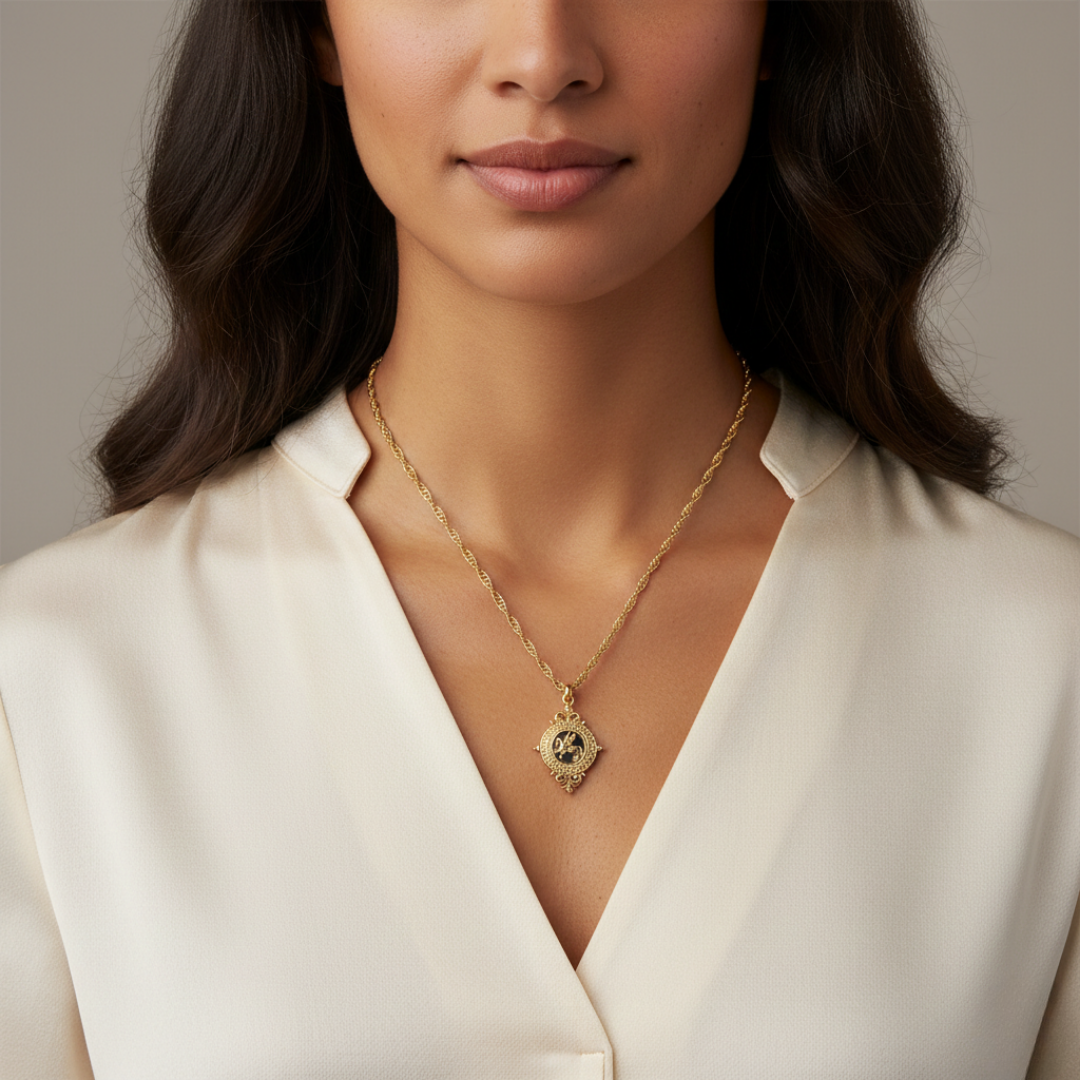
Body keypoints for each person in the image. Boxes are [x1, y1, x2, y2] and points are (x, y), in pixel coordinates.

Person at [1, 0, 1077, 1075]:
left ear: (782, 25)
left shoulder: (1044, 667)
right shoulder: (54, 680)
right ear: (314, 27)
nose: (541, 57)